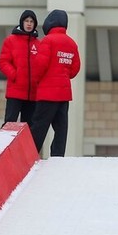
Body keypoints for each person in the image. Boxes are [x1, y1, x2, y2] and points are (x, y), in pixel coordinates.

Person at [30, 9, 81, 156]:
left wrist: (36, 82)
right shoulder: (71, 43)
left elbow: (40, 65)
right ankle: (58, 158)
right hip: (64, 95)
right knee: (61, 129)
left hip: (47, 94)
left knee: (39, 126)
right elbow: (75, 69)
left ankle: (31, 155)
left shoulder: (48, 41)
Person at [0, 9, 41, 126]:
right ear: (22, 22)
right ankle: (6, 145)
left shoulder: (38, 44)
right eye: (26, 21)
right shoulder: (11, 41)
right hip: (15, 92)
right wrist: (14, 74)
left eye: (31, 21)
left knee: (28, 128)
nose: (29, 24)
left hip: (32, 94)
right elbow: (3, 62)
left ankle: (25, 145)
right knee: (9, 124)